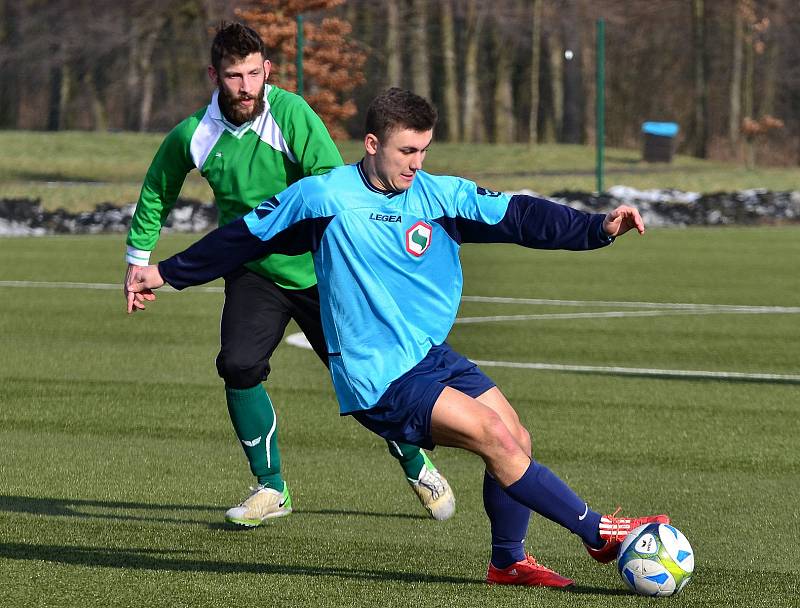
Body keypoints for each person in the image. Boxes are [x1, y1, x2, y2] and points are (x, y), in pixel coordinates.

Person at [127, 88, 669, 587]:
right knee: (494, 439)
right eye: (407, 150)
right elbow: (240, 239)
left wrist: (598, 229)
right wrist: (163, 273)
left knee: (516, 436)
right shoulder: (323, 197)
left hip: (427, 354)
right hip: (377, 375)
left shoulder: (436, 195)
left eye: (424, 150)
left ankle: (508, 561)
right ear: (371, 144)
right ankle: (600, 532)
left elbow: (519, 215)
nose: (417, 163)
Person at [123, 25, 454, 526]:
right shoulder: (194, 134)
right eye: (234, 76)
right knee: (237, 365)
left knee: (370, 380)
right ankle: (271, 487)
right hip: (255, 274)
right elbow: (157, 190)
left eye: (254, 74)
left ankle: (415, 462)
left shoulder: (292, 114)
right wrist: (137, 260)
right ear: (215, 76)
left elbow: (333, 189)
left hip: (324, 271)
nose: (246, 86)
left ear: (267, 71)